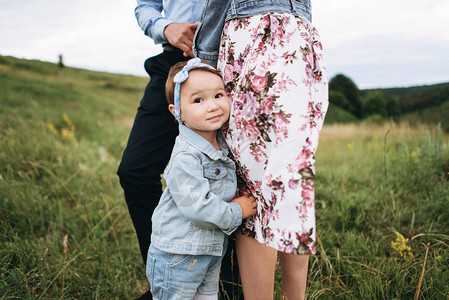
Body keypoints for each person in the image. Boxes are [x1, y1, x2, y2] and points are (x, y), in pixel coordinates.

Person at [194, 1, 328, 299]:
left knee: (274, 183)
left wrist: (204, 57)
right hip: (287, 32)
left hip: (267, 32)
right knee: (287, 179)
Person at [117, 1, 243, 299]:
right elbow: (146, 5)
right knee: (134, 170)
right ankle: (168, 275)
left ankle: (226, 285)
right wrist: (164, 27)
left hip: (231, 56)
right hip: (174, 63)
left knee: (237, 175)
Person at [146, 58, 257, 299]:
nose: (213, 106)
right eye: (198, 100)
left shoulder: (219, 143)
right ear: (177, 112)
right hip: (178, 254)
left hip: (208, 251)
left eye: (218, 95)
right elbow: (197, 206)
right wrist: (236, 212)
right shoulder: (185, 156)